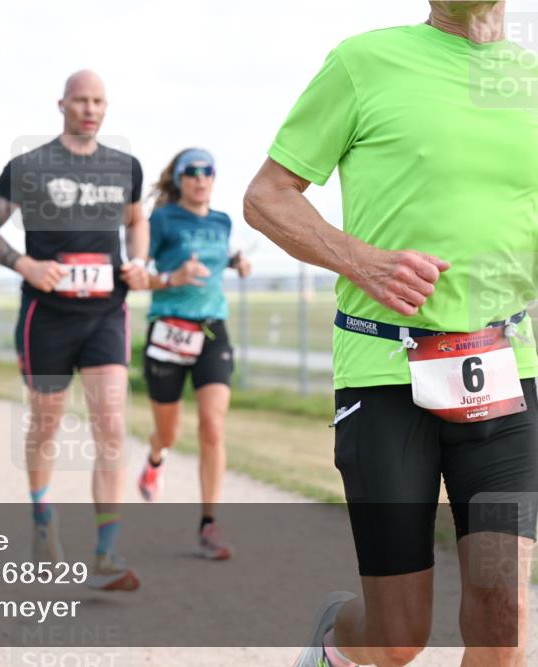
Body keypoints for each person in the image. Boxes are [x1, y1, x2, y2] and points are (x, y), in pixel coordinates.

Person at [243, 3, 538, 665]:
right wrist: (360, 260)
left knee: (506, 615)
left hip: (505, 372)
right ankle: (334, 642)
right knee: (397, 636)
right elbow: (267, 196)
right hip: (385, 374)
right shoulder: (363, 63)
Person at [0, 70, 150, 591]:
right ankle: (43, 521)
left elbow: (137, 220)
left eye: (99, 101)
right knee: (46, 424)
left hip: (104, 313)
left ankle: (107, 551)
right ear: (62, 104)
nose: (90, 109)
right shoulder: (29, 166)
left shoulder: (125, 167)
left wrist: (138, 261)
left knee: (111, 426)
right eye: (81, 101)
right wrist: (25, 265)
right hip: (45, 317)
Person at [136, 148, 252, 561]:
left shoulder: (222, 221)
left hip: (211, 331)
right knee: (168, 432)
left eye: (208, 172)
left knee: (212, 427)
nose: (201, 179)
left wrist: (238, 261)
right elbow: (136, 277)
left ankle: (209, 524)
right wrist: (173, 277)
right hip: (168, 331)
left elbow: (217, 259)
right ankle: (155, 456)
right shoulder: (162, 220)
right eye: (193, 172)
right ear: (180, 178)